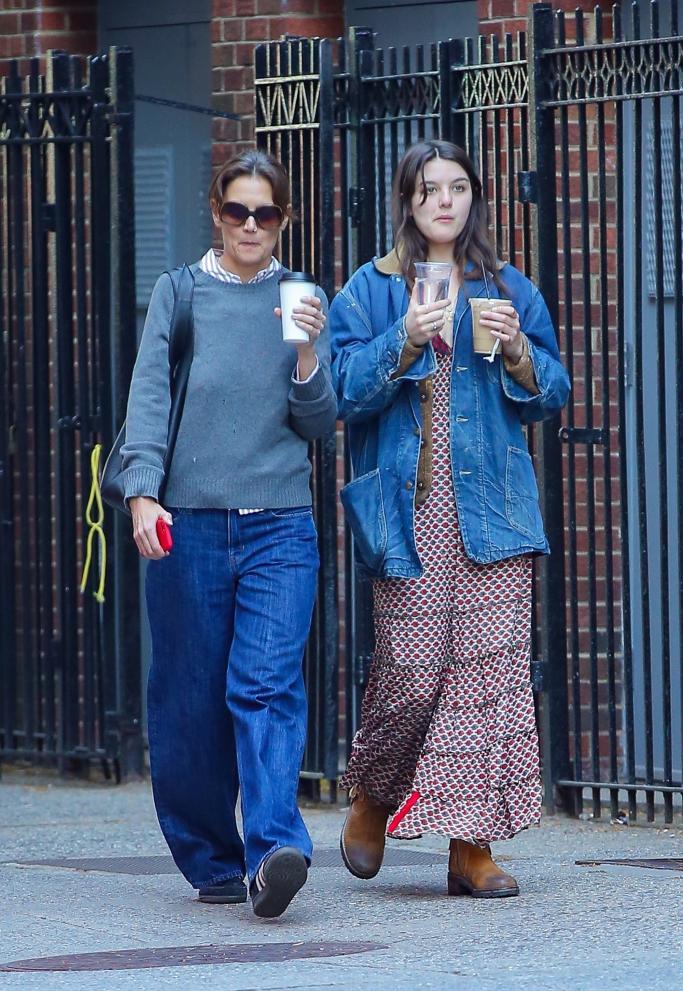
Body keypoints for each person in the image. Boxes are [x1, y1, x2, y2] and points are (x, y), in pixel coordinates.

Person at [329, 139, 570, 898]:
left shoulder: (505, 287)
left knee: (490, 680)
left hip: (493, 512)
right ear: (407, 200)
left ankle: (472, 848)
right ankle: (372, 794)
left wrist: (519, 353)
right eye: (429, 188)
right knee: (410, 672)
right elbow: (339, 394)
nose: (444, 200)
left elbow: (552, 391)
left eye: (457, 187)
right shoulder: (370, 291)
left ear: (473, 199)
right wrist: (400, 339)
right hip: (409, 512)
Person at [120, 148, 337, 918]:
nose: (251, 225)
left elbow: (319, 422)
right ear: (216, 213)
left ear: (284, 220)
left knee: (265, 685)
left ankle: (275, 847)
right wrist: (142, 493)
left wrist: (308, 350)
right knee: (188, 699)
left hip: (279, 523)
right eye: (238, 211)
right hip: (191, 524)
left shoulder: (303, 297)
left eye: (267, 213)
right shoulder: (179, 294)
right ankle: (211, 855)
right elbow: (149, 397)